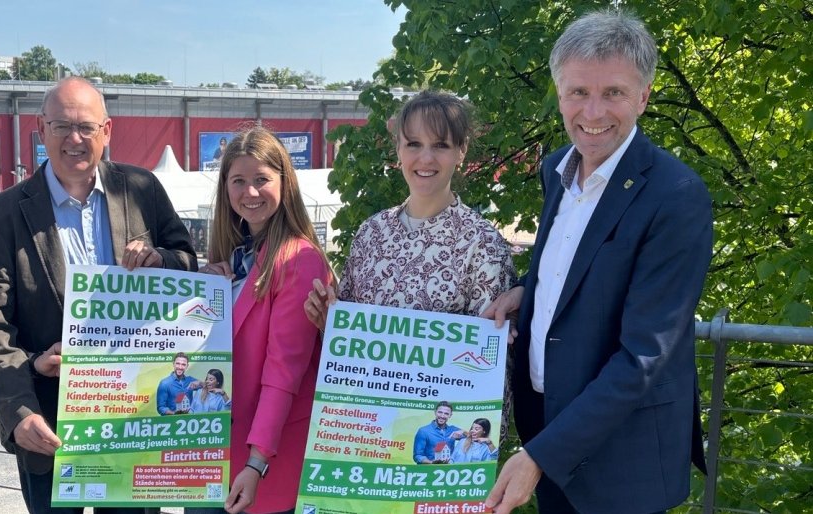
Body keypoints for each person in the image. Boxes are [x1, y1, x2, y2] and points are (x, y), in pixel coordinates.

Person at [481, 10, 713, 514]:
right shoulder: (555, 170)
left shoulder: (677, 196)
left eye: (614, 93)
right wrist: (530, 289)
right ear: (558, 93)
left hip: (621, 462)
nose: (592, 111)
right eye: (578, 92)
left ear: (644, 97)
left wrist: (539, 456)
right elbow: (571, 263)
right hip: (546, 422)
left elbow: (646, 355)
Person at [0, 76, 197, 514]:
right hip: (46, 417)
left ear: (106, 131)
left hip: (133, 416)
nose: (75, 139)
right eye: (61, 127)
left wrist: (161, 260)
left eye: (87, 128)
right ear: (40, 129)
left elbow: (188, 261)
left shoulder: (142, 188)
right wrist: (17, 411)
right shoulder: (0, 214)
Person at [304, 90, 516, 434]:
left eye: (441, 145)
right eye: (414, 143)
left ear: (461, 151)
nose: (425, 158)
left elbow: (493, 373)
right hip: (366, 437)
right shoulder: (371, 233)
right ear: (398, 149)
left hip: (436, 456)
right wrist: (330, 323)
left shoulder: (482, 244)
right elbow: (349, 351)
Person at [192, 126, 334, 514]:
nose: (249, 192)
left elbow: (282, 373)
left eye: (261, 180)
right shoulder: (235, 257)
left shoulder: (300, 260)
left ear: (284, 183)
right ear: (225, 188)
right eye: (238, 180)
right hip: (213, 454)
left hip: (267, 462)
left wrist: (257, 462)